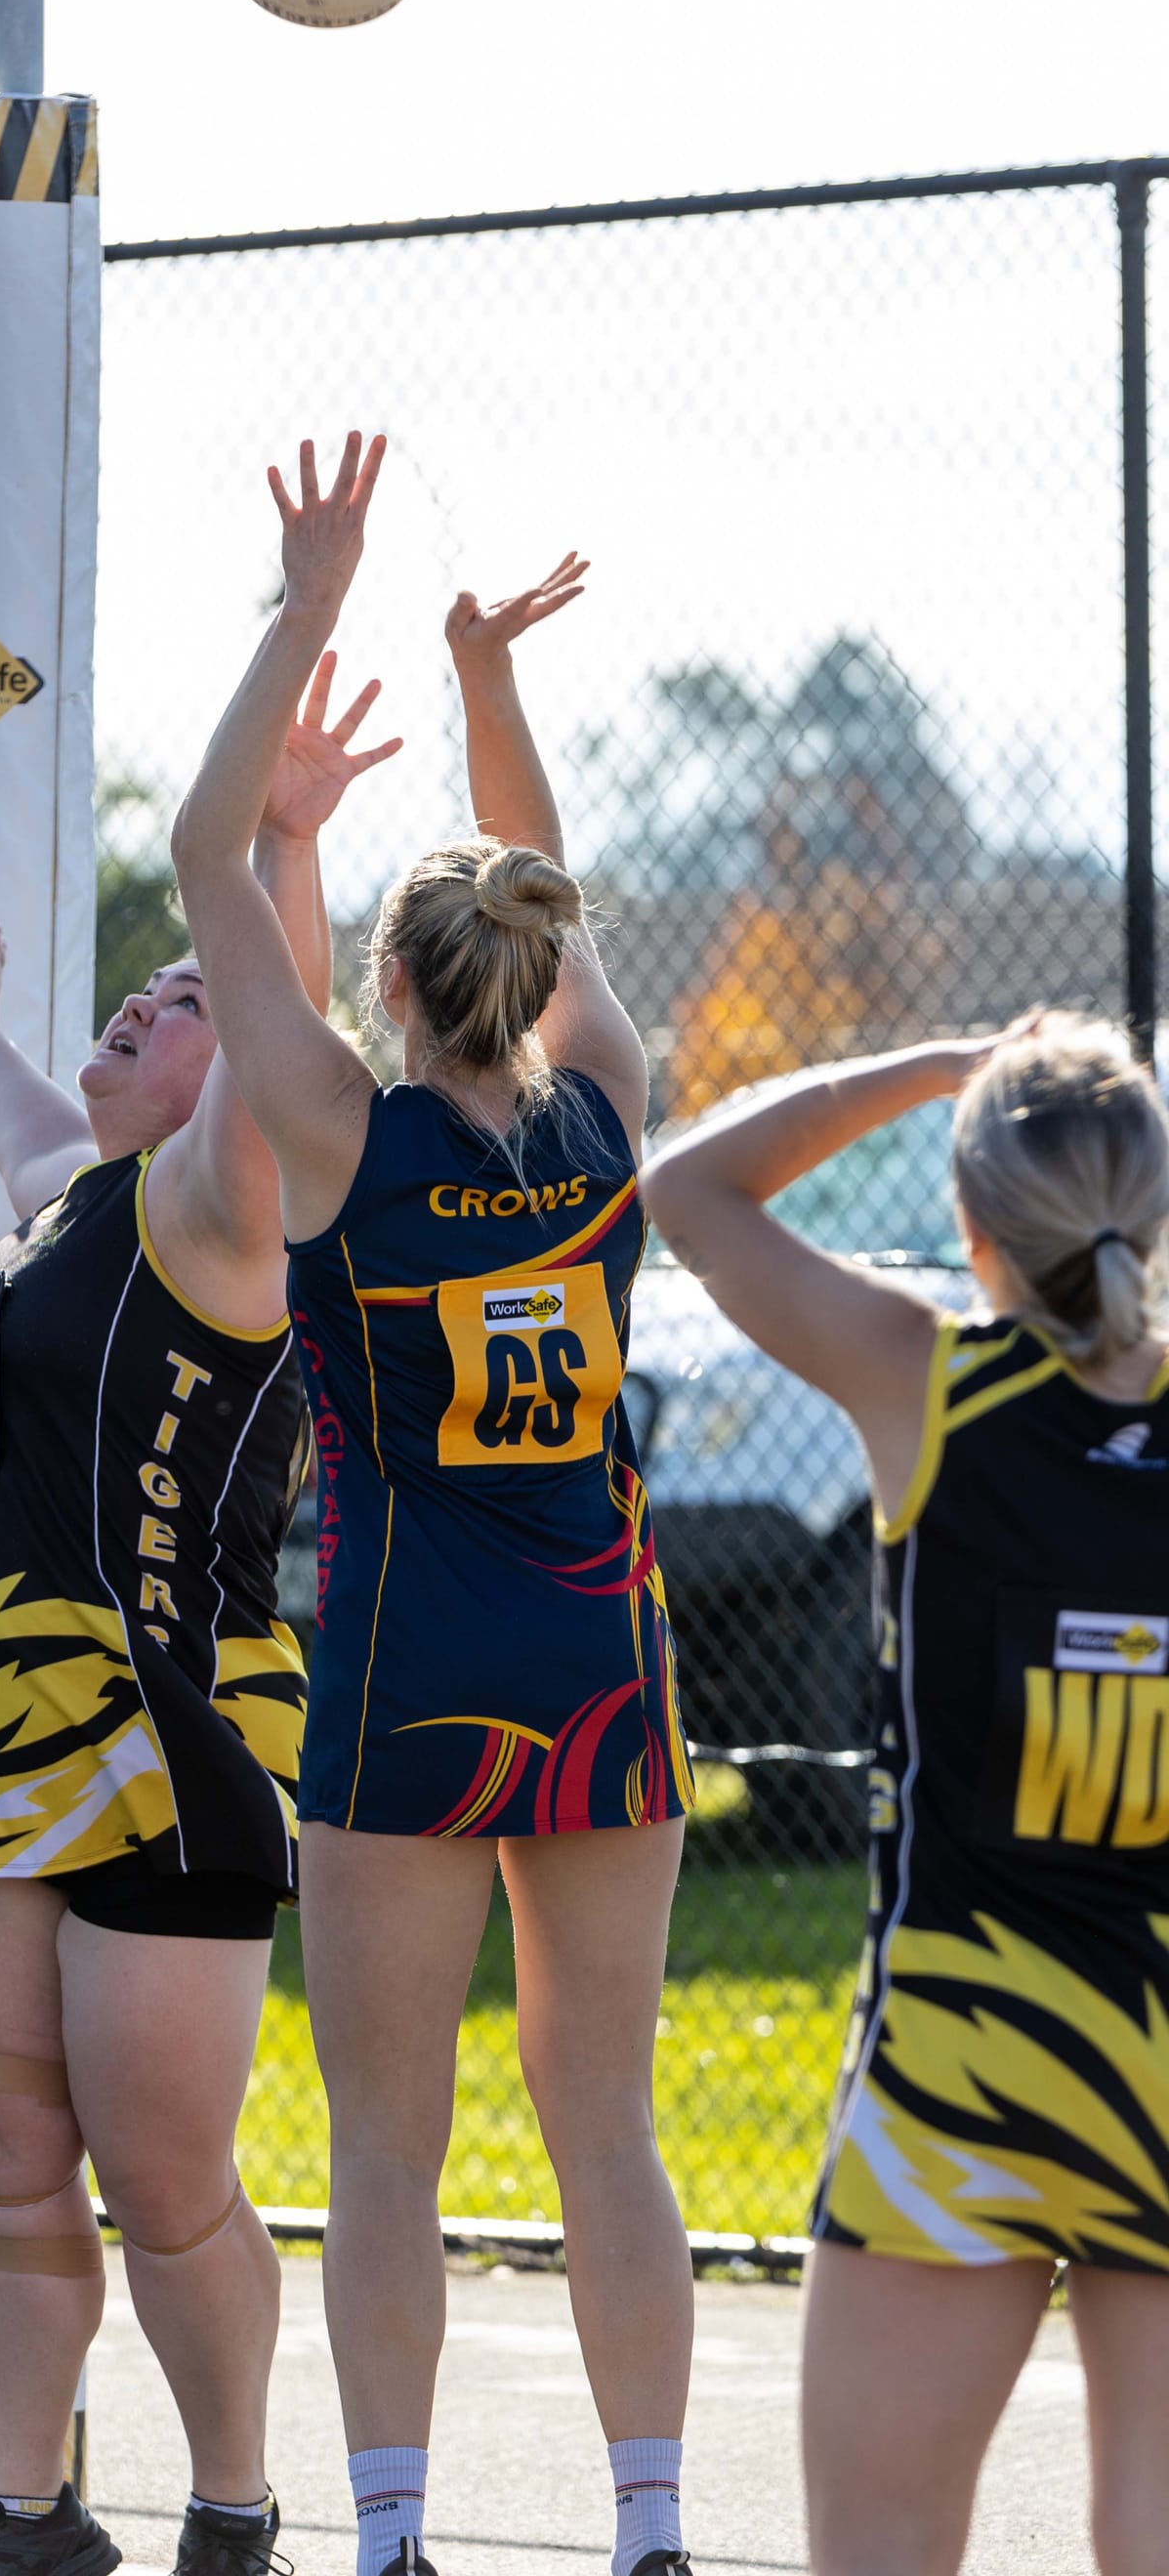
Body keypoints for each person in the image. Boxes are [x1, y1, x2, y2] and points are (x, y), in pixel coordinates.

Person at [171, 436, 696, 2576]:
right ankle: (649, 2530)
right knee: (607, 2127)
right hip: (601, 1659)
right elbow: (535, 887)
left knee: (388, 2148)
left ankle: (392, 2540)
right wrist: (484, 677)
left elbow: (204, 852)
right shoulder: (605, 1118)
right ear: (530, 971)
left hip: (409, 1677)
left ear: (385, 988)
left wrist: (311, 604)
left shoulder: (339, 1133)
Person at [0, 653, 399, 2576]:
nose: (143, 1001)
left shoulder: (227, 1214)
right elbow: (32, 1127)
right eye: (141, 990)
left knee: (162, 2173)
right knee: (9, 2158)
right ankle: (22, 2511)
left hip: (161, 1744)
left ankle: (231, 2507)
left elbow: (278, 1027)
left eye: (187, 1001)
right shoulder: (73, 1203)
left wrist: (283, 850)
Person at [643, 1012, 1169, 2576]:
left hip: (957, 2065)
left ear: (973, 1225)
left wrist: (938, 1069)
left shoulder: (927, 1385)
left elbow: (687, 1191)